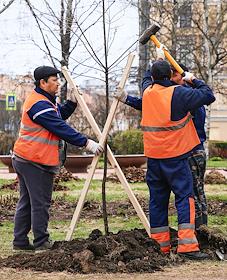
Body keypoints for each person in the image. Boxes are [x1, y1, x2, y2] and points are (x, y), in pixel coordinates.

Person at [115, 58, 215, 259]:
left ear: (152, 78)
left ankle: (160, 246)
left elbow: (145, 78)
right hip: (176, 158)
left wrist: (158, 57)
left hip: (154, 159)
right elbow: (208, 95)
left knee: (157, 201)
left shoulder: (148, 93)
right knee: (185, 198)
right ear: (171, 76)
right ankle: (187, 247)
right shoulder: (179, 94)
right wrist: (193, 79)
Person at [12, 66, 103, 251]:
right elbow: (59, 127)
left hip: (26, 157)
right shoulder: (38, 104)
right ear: (43, 83)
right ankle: (42, 243)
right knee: (40, 203)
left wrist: (71, 103)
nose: (58, 83)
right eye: (55, 80)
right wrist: (86, 143)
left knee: (27, 201)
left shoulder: (44, 101)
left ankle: (20, 242)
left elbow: (58, 115)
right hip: (34, 160)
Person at [171, 63, 208, 230]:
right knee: (194, 190)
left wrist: (194, 80)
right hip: (190, 151)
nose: (171, 79)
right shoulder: (183, 95)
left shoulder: (190, 96)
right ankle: (198, 228)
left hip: (194, 151)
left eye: (174, 75)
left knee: (196, 191)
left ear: (182, 76)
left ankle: (200, 229)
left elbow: (206, 95)